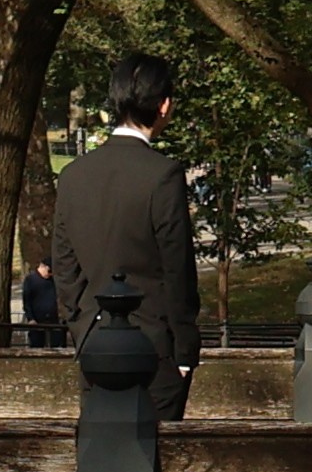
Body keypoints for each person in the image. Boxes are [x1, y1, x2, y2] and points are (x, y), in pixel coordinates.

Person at [47, 56, 204, 395]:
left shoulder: (73, 175)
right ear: (164, 105)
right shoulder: (163, 175)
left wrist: (81, 327)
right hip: (154, 348)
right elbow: (177, 269)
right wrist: (184, 349)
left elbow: (64, 265)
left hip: (94, 344)